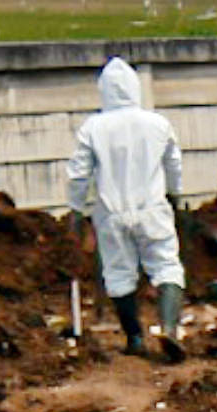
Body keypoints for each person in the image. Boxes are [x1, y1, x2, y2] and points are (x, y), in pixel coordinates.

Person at [67, 57, 187, 360]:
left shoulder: (93, 127)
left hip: (112, 212)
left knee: (118, 274)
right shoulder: (158, 124)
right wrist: (175, 194)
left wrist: (76, 211)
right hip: (152, 207)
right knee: (166, 265)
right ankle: (169, 329)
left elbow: (79, 174)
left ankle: (134, 338)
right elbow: (173, 164)